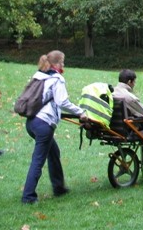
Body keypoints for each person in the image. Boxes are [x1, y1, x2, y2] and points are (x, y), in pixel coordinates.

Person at [21, 51, 87, 204]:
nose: (63, 65)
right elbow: (62, 102)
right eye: (62, 62)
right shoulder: (57, 79)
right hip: (43, 125)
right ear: (56, 63)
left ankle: (59, 188)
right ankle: (28, 196)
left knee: (53, 152)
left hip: (32, 122)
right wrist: (81, 112)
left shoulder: (40, 75)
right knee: (38, 160)